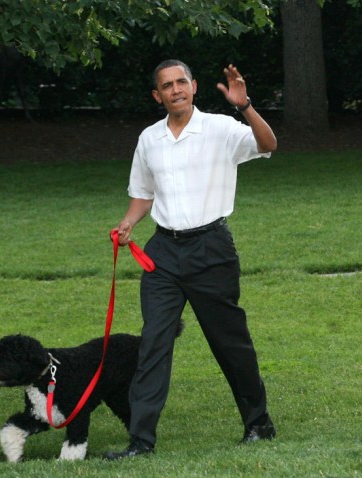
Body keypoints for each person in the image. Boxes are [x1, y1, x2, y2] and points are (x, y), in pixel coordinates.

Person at [104, 60, 277, 460]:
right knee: (153, 345)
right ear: (157, 95)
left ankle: (258, 423)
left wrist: (245, 105)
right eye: (167, 85)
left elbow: (268, 145)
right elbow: (143, 194)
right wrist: (128, 222)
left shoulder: (221, 128)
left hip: (211, 249)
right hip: (163, 252)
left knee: (229, 343)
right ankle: (141, 441)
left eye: (182, 81)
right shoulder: (149, 139)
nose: (176, 89)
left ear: (194, 87)